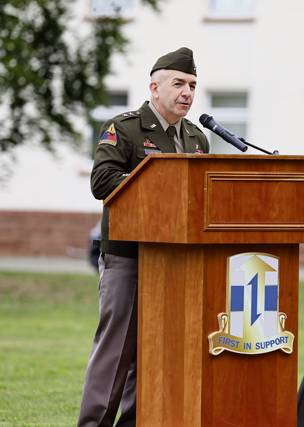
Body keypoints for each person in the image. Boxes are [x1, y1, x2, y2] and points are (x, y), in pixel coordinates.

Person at [77, 47, 210, 427]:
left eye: (192, 85)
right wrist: (161, 185)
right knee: (116, 350)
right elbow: (102, 181)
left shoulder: (197, 138)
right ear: (155, 88)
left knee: (154, 353)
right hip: (129, 257)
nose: (187, 92)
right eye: (179, 84)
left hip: (176, 260)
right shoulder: (125, 128)